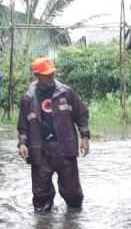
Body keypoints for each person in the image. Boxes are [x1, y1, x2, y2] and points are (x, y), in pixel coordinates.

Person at [17, 57, 90, 212]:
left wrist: (84, 137)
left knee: (73, 195)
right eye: (47, 75)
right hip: (40, 151)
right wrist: (22, 144)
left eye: (52, 74)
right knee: (41, 198)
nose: (51, 77)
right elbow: (23, 125)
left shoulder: (66, 92)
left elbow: (81, 114)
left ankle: (73, 228)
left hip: (65, 148)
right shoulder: (28, 98)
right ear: (37, 76)